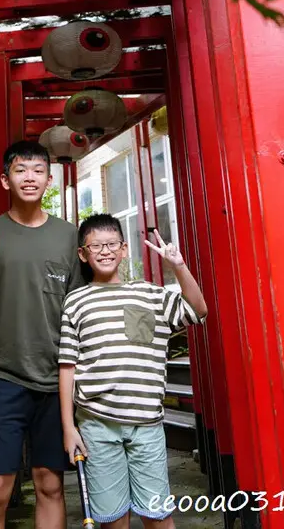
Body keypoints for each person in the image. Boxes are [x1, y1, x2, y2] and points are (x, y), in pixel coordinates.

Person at [59, 214, 207, 528]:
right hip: (96, 425)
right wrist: (69, 427)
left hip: (147, 425)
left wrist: (178, 265)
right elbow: (67, 365)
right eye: (95, 245)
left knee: (158, 516)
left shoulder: (150, 294)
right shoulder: (75, 301)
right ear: (83, 254)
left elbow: (197, 309)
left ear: (124, 248)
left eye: (111, 244)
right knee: (113, 520)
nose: (104, 251)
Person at [0, 140, 84, 529]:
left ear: (49, 179)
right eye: (20, 170)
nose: (29, 177)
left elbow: (82, 307)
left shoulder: (69, 236)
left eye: (37, 170)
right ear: (5, 179)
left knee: (50, 483)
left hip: (56, 379)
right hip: (4, 375)